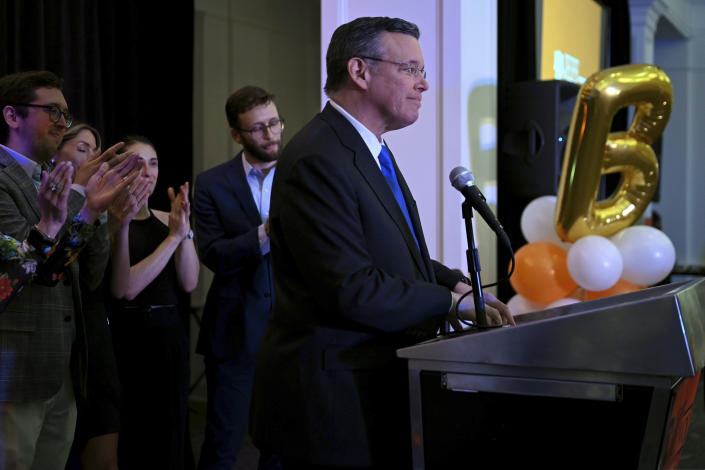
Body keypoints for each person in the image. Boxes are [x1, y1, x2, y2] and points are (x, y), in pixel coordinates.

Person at [250, 17, 515, 469]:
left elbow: (396, 252)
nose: (424, 84)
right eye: (410, 69)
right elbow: (350, 287)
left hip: (369, 388)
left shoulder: (369, 148)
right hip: (332, 401)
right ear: (360, 71)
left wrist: (457, 283)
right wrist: (450, 305)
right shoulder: (319, 156)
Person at [0, 70, 139, 469]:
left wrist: (93, 208)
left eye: (65, 114)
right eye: (53, 112)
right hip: (17, 371)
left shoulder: (52, 176)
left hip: (63, 366)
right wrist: (83, 199)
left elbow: (87, 274)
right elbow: (29, 270)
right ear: (13, 116)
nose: (62, 124)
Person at [193, 86, 283, 469]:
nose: (272, 135)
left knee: (282, 446)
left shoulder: (305, 173)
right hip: (233, 330)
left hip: (290, 330)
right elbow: (213, 254)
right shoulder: (212, 183)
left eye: (275, 123)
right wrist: (265, 232)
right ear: (237, 135)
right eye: (259, 128)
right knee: (222, 443)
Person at [107, 135, 199, 469]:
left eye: (154, 163)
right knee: (134, 434)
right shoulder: (110, 221)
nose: (148, 172)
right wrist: (174, 239)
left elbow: (189, 282)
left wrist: (184, 231)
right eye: (137, 163)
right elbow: (126, 288)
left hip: (169, 336)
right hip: (129, 337)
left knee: (172, 432)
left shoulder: (167, 218)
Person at [53, 121, 122, 470]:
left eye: (96, 151)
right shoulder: (39, 192)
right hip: (51, 335)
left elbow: (93, 276)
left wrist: (96, 211)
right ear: (55, 150)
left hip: (91, 332)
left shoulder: (97, 201)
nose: (93, 157)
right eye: (82, 148)